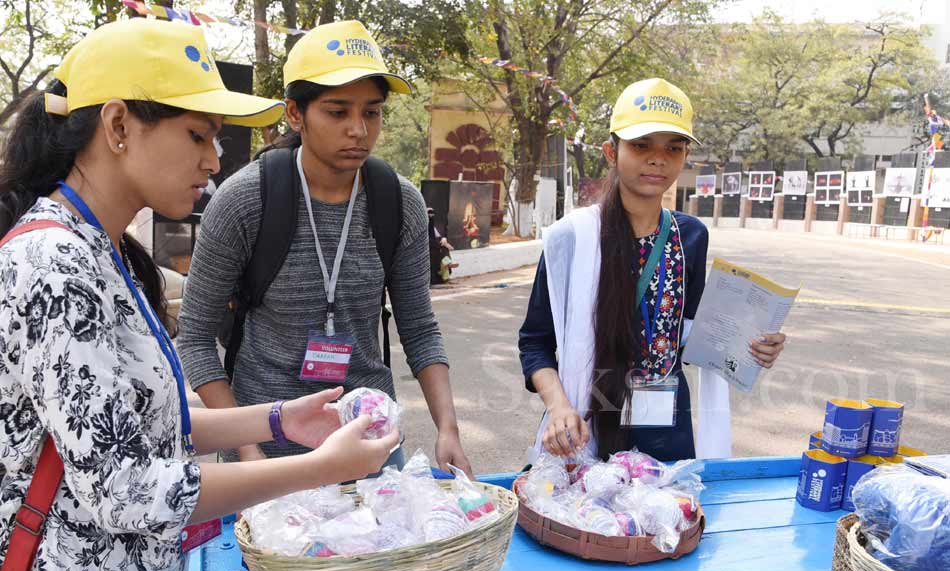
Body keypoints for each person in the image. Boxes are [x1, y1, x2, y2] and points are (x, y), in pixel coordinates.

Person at [0, 19, 398, 571]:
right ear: (117, 126)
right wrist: (315, 469)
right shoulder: (52, 264)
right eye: (197, 135)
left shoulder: (103, 249)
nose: (214, 160)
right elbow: (125, 487)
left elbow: (144, 425)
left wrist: (278, 419)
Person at [177, 20, 472, 476]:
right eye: (338, 112)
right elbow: (194, 339)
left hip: (369, 443)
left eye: (371, 112)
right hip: (266, 448)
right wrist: (246, 450)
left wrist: (447, 428)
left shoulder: (399, 203)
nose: (358, 129)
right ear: (295, 114)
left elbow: (419, 328)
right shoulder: (245, 201)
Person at [518, 78, 787, 463]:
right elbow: (535, 341)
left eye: (673, 148)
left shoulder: (690, 236)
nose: (657, 159)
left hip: (666, 430)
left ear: (684, 157)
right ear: (611, 151)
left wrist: (751, 344)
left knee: (668, 521)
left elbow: (695, 336)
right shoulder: (571, 239)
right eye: (641, 145)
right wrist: (559, 407)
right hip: (585, 425)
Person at [428, 206, 458, 284]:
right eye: (429, 214)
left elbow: (439, 236)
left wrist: (443, 239)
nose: (431, 216)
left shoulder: (433, 226)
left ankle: (447, 267)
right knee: (443, 248)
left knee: (444, 248)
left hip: (436, 244)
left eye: (432, 214)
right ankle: (448, 263)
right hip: (428, 245)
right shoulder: (424, 225)